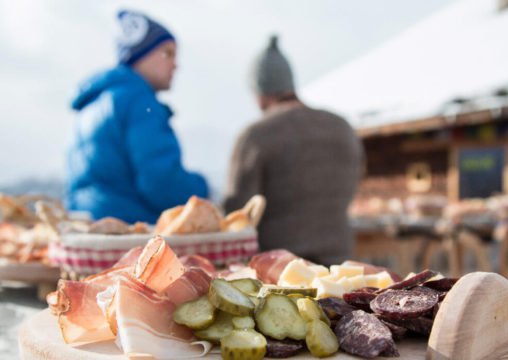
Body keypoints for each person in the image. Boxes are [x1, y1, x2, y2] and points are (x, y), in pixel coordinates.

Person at [224, 35, 363, 265]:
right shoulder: (342, 127)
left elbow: (237, 214)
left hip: (281, 275)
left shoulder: (256, 136)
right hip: (341, 270)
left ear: (260, 91)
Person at [66, 10, 209, 224]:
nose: (175, 65)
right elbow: (160, 182)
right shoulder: (138, 101)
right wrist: (201, 190)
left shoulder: (93, 103)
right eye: (167, 53)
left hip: (89, 229)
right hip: (131, 232)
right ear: (142, 55)